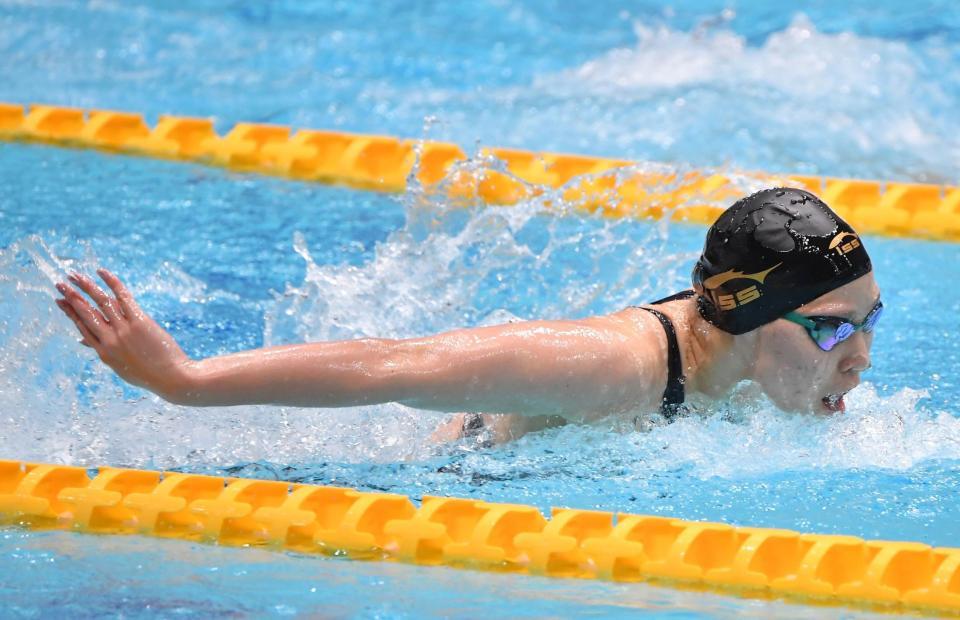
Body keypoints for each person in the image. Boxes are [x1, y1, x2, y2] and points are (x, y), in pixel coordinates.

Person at [53, 188, 881, 441]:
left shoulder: (758, 365)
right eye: (836, 329)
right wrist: (184, 381)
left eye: (872, 320)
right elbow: (399, 366)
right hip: (440, 486)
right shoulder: (610, 366)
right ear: (750, 316)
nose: (862, 358)